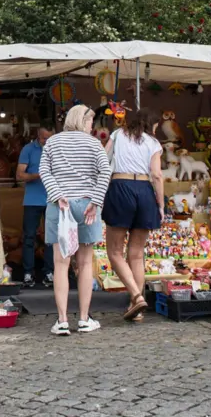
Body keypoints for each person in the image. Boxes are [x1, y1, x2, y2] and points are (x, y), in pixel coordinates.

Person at [40, 104, 111, 336]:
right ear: (82, 121)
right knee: (85, 264)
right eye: (90, 122)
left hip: (59, 206)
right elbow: (105, 172)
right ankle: (83, 319)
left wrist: (57, 194)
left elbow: (44, 171)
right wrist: (96, 200)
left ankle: (61, 320)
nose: (93, 126)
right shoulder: (93, 144)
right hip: (86, 205)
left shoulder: (53, 142)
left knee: (61, 264)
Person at [102, 109, 165, 322]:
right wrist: (161, 204)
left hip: (120, 186)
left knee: (115, 252)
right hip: (145, 190)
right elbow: (156, 175)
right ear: (150, 125)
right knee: (137, 254)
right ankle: (136, 307)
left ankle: (137, 297)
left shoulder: (118, 134)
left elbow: (103, 159)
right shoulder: (154, 143)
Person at [17, 127, 53, 287]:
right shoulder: (28, 149)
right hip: (32, 200)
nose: (47, 142)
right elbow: (19, 175)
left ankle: (50, 272)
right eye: (44, 138)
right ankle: (28, 273)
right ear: (38, 135)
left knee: (52, 239)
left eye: (49, 138)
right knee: (29, 237)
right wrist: (38, 175)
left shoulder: (56, 148)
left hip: (53, 200)